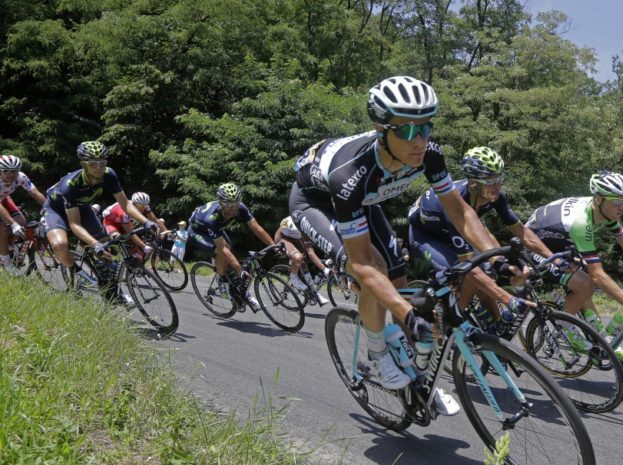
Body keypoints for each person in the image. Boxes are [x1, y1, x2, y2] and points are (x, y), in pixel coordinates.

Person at [289, 76, 505, 416]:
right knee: (374, 269)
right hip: (317, 202)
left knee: (399, 279)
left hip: (365, 201)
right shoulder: (350, 175)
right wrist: (408, 314)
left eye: (426, 128)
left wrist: (495, 256)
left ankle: (417, 378)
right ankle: (377, 354)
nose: (419, 140)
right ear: (381, 129)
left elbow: (461, 212)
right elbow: (362, 263)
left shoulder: (429, 153)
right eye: (406, 130)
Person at [407, 146, 593, 329]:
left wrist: (556, 260)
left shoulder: (496, 197)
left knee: (490, 271)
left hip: (458, 229)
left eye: (500, 179)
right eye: (490, 181)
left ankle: (495, 331)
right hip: (426, 236)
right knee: (468, 273)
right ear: (473, 183)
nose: (497, 186)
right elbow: (470, 268)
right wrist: (507, 299)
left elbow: (522, 233)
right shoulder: (455, 204)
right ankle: (453, 325)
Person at [526, 171, 623, 365]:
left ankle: (601, 342)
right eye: (616, 201)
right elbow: (598, 276)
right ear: (599, 199)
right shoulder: (581, 223)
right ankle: (564, 325)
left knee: (587, 280)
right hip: (534, 245)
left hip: (558, 240)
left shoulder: (605, 211)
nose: (621, 207)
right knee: (586, 282)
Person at [43, 141, 157, 281]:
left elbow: (125, 204)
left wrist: (146, 222)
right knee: (60, 245)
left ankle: (109, 285)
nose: (99, 168)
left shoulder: (109, 175)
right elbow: (74, 224)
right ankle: (76, 271)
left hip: (81, 206)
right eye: (93, 164)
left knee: (107, 249)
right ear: (83, 164)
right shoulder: (71, 185)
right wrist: (94, 243)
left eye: (102, 163)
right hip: (56, 209)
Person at [187, 182, 275, 311]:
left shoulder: (241, 208)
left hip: (215, 229)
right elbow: (222, 249)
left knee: (228, 249)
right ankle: (222, 280)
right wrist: (239, 270)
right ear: (221, 203)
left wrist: (273, 245)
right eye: (229, 205)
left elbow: (256, 228)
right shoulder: (211, 218)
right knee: (221, 252)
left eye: (236, 203)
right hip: (197, 232)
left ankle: (238, 289)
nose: (233, 209)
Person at [0, 155, 47, 274]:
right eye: (6, 171)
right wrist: (12, 224)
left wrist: (49, 209)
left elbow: (35, 193)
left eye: (15, 171)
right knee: (3, 228)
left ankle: (10, 246)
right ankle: (6, 262)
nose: (11, 174)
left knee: (22, 223)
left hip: (3, 198)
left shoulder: (21, 177)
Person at [275, 216, 330, 305]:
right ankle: (293, 278)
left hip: (296, 237)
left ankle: (313, 293)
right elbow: (311, 254)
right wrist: (324, 269)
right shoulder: (301, 225)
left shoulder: (307, 228)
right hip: (282, 237)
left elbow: (311, 252)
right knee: (298, 257)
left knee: (304, 263)